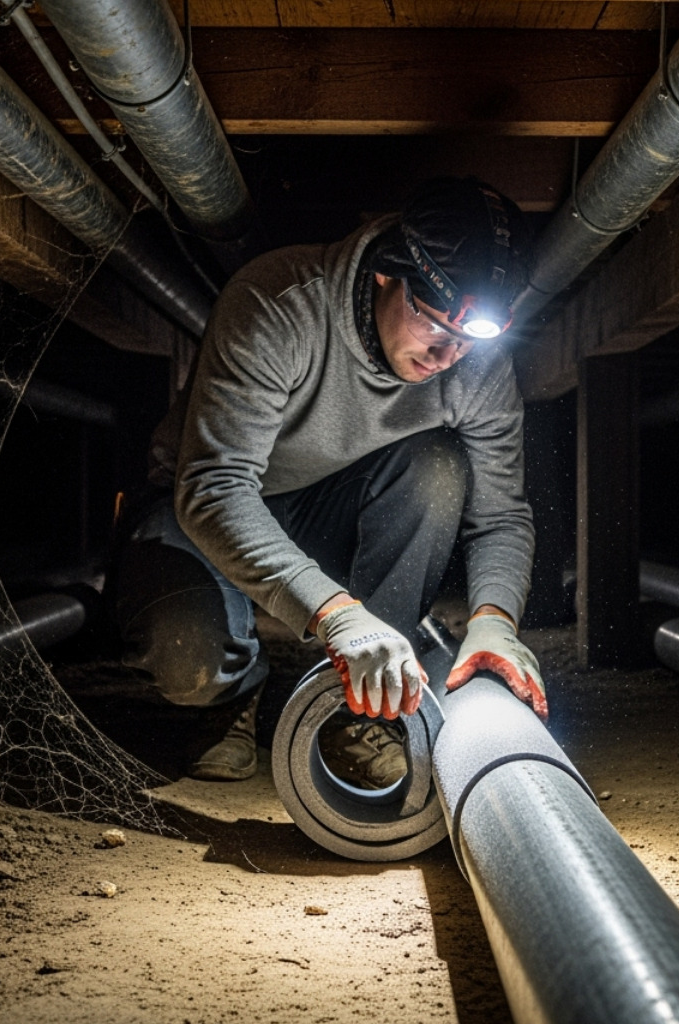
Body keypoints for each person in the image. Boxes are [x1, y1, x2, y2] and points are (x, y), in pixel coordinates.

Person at [110, 177, 547, 783]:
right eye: (433, 327)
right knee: (189, 662)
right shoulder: (279, 305)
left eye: (468, 341)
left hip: (325, 510)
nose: (448, 358)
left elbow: (501, 515)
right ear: (386, 274)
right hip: (198, 515)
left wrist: (494, 623)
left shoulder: (477, 369)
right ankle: (234, 695)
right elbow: (215, 489)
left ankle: (362, 700)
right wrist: (336, 613)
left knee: (439, 467)